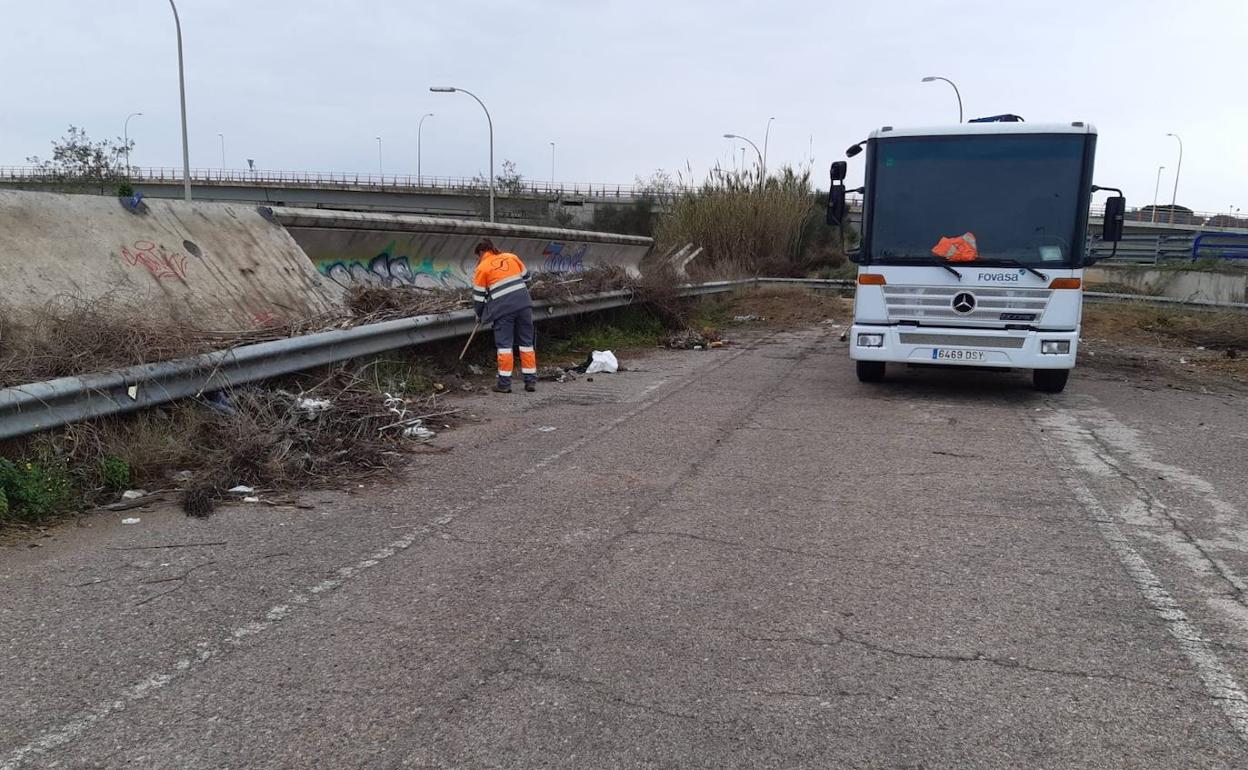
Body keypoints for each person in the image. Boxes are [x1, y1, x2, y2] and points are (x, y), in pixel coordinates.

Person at [471, 238, 538, 393]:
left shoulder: (482, 267)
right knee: (526, 344)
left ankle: (504, 384)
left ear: (481, 253)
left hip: (503, 310)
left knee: (505, 347)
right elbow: (527, 277)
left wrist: (480, 315)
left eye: (477, 257)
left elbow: (479, 297)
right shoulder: (511, 257)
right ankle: (530, 382)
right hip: (524, 305)